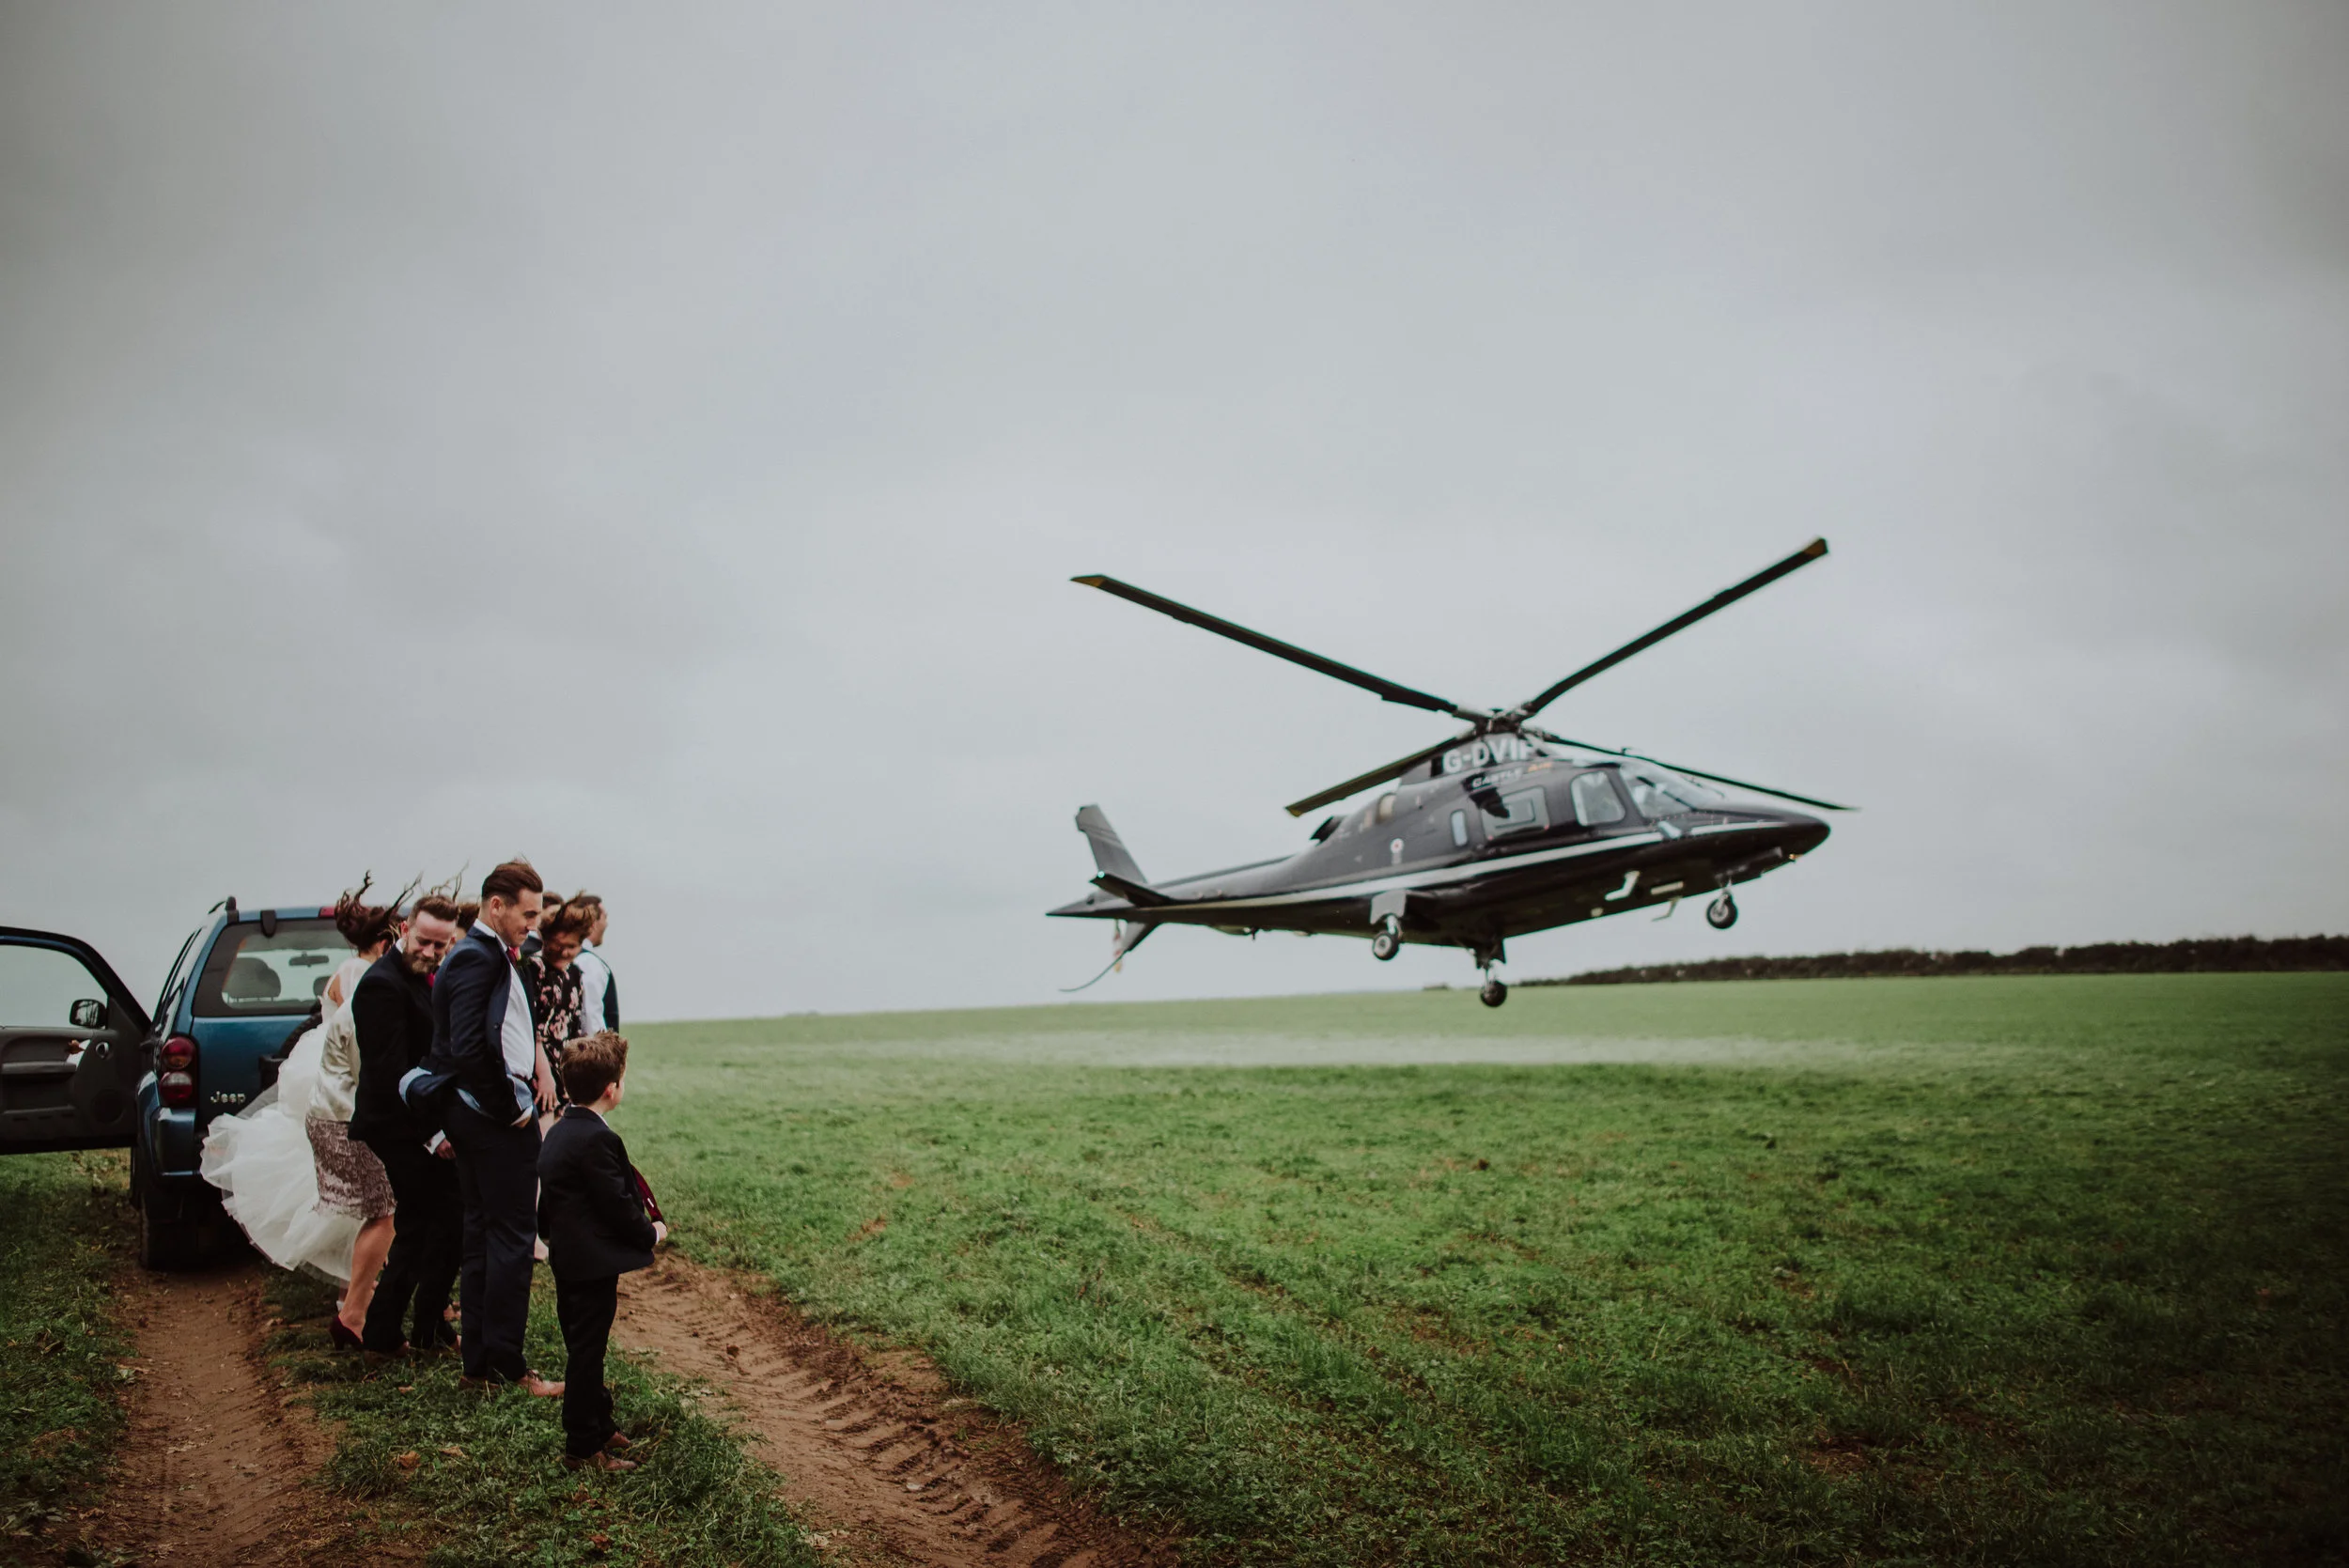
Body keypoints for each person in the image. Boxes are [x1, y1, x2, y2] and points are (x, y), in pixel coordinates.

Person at [411, 861, 562, 1396]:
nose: (533, 926)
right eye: (527, 914)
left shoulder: (483, 955)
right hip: (494, 1122)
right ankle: (507, 1366)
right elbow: (471, 1049)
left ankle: (479, 1366)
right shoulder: (476, 958)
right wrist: (512, 1110)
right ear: (495, 906)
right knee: (512, 1243)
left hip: (475, 1120)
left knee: (480, 1240)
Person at [199, 878, 388, 1292]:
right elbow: (361, 1031)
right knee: (352, 1181)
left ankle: (359, 1282)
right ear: (381, 941)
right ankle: (355, 1286)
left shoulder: (354, 967)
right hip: (343, 1073)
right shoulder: (358, 971)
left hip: (323, 1064)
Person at [537, 1031, 664, 1472]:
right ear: (612, 1090)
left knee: (582, 1344)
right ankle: (581, 1447)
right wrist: (650, 1234)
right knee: (587, 1353)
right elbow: (617, 1205)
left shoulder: (557, 1132)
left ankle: (601, 1421)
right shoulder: (598, 1140)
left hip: (568, 1260)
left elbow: (547, 1203)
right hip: (591, 1268)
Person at [349, 895, 465, 1360]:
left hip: (421, 1120)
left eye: (441, 945)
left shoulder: (422, 977)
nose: (431, 952)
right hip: (394, 1125)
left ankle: (426, 1326)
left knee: (444, 1223)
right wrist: (433, 1135)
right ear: (403, 930)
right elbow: (388, 1074)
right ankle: (387, 1333)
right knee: (423, 1225)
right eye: (424, 941)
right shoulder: (381, 986)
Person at [311, 885, 408, 1346]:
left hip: (339, 1106)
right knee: (383, 1212)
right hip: (345, 1111)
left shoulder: (361, 976)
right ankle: (353, 1315)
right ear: (389, 944)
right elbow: (362, 1059)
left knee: (380, 1210)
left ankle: (359, 1308)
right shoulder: (364, 982)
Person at [523, 900, 594, 1118]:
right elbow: (529, 1028)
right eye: (556, 945)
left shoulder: (575, 975)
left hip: (565, 1073)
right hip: (537, 1073)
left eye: (571, 947)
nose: (563, 952)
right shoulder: (532, 969)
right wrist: (544, 1075)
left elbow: (576, 1027)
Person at [571, 894, 619, 1032]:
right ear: (594, 922)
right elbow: (591, 1015)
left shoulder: (574, 959)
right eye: (605, 917)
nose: (607, 923)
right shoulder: (588, 962)